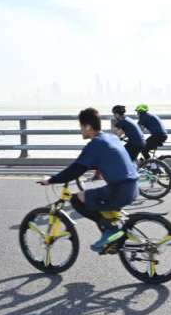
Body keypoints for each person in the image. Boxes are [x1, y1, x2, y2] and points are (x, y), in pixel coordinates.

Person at [38, 108, 138, 253]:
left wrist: (51, 180)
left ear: (88, 127)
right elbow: (109, 159)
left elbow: (76, 169)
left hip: (119, 191)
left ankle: (111, 230)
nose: (80, 130)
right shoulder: (111, 137)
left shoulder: (95, 144)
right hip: (133, 187)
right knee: (100, 204)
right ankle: (114, 240)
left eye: (81, 127)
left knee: (77, 199)